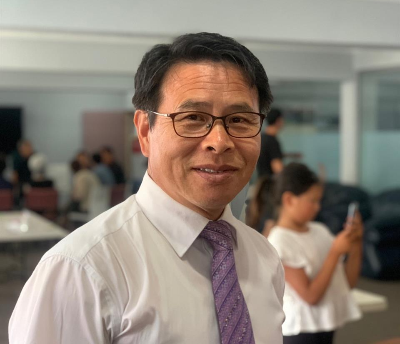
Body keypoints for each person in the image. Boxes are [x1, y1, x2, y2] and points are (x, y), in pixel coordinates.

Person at [9, 32, 285, 343]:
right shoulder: (82, 270)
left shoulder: (265, 258)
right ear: (144, 132)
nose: (219, 142)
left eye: (240, 120)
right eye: (193, 117)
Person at [264, 163, 362, 344]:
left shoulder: (320, 231)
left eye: (319, 201)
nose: (317, 207)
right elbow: (310, 296)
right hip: (299, 332)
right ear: (289, 200)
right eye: (312, 201)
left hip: (325, 325)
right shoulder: (280, 240)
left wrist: (356, 243)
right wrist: (335, 252)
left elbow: (347, 283)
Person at [257, 108, 284, 178]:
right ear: (278, 121)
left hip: (262, 180)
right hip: (271, 181)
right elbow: (277, 168)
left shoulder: (262, 138)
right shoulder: (272, 141)